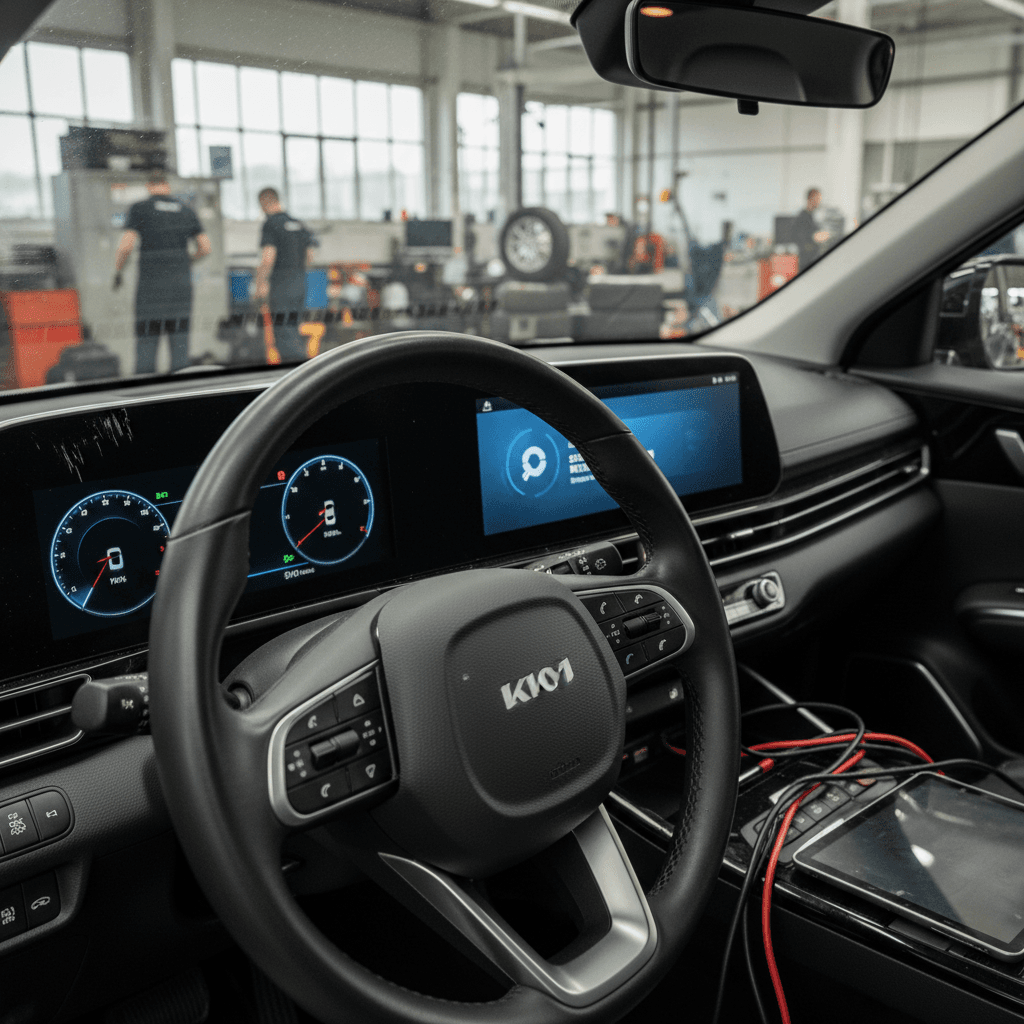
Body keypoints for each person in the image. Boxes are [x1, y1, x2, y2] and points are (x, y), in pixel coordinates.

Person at [114, 172, 211, 373]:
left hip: (151, 290)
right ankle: (181, 387)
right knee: (180, 345)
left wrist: (118, 271)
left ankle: (145, 389)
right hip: (180, 289)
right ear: (167, 186)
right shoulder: (186, 210)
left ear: (149, 186)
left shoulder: (140, 208)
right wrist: (187, 260)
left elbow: (125, 246)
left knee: (147, 345)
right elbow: (205, 247)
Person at [254, 188, 316, 363]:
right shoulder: (299, 224)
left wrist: (260, 284)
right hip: (300, 284)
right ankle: (302, 367)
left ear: (263, 202)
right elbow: (310, 257)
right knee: (293, 330)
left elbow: (268, 258)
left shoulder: (271, 223)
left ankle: (296, 372)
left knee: (284, 335)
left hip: (281, 285)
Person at [792, 187, 832, 271]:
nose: (819, 201)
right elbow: (801, 237)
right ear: (810, 199)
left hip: (814, 259)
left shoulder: (812, 217)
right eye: (817, 198)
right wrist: (816, 237)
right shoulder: (802, 217)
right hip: (807, 262)